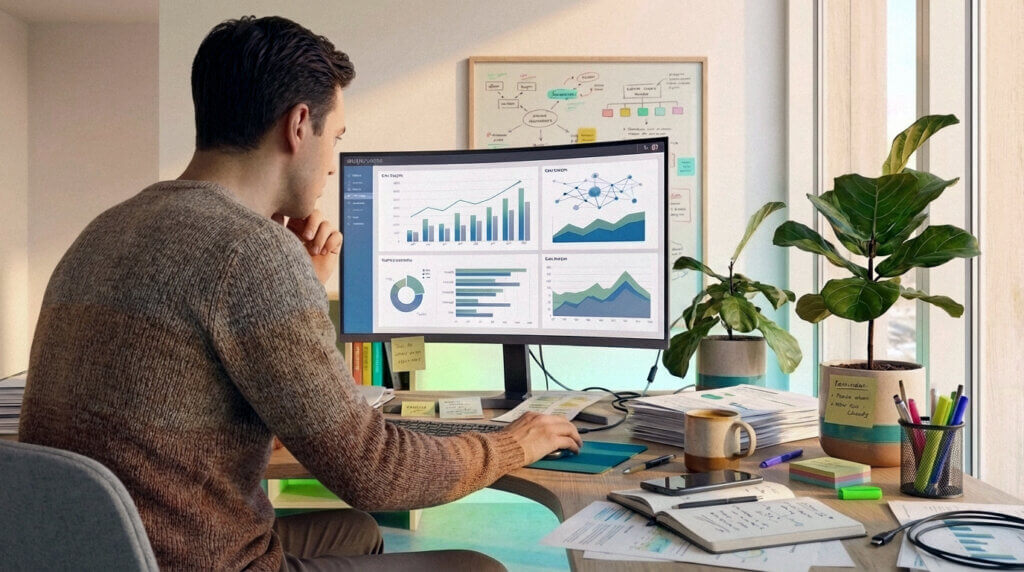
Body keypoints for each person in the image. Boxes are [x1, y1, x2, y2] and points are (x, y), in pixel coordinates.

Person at [19, 15, 581, 572]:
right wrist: (514, 443)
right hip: (195, 562)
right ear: (298, 124)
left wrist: (304, 286)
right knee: (476, 567)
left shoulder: (111, 226)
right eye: (336, 138)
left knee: (352, 531)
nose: (333, 164)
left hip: (95, 548)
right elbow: (375, 472)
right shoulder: (250, 250)